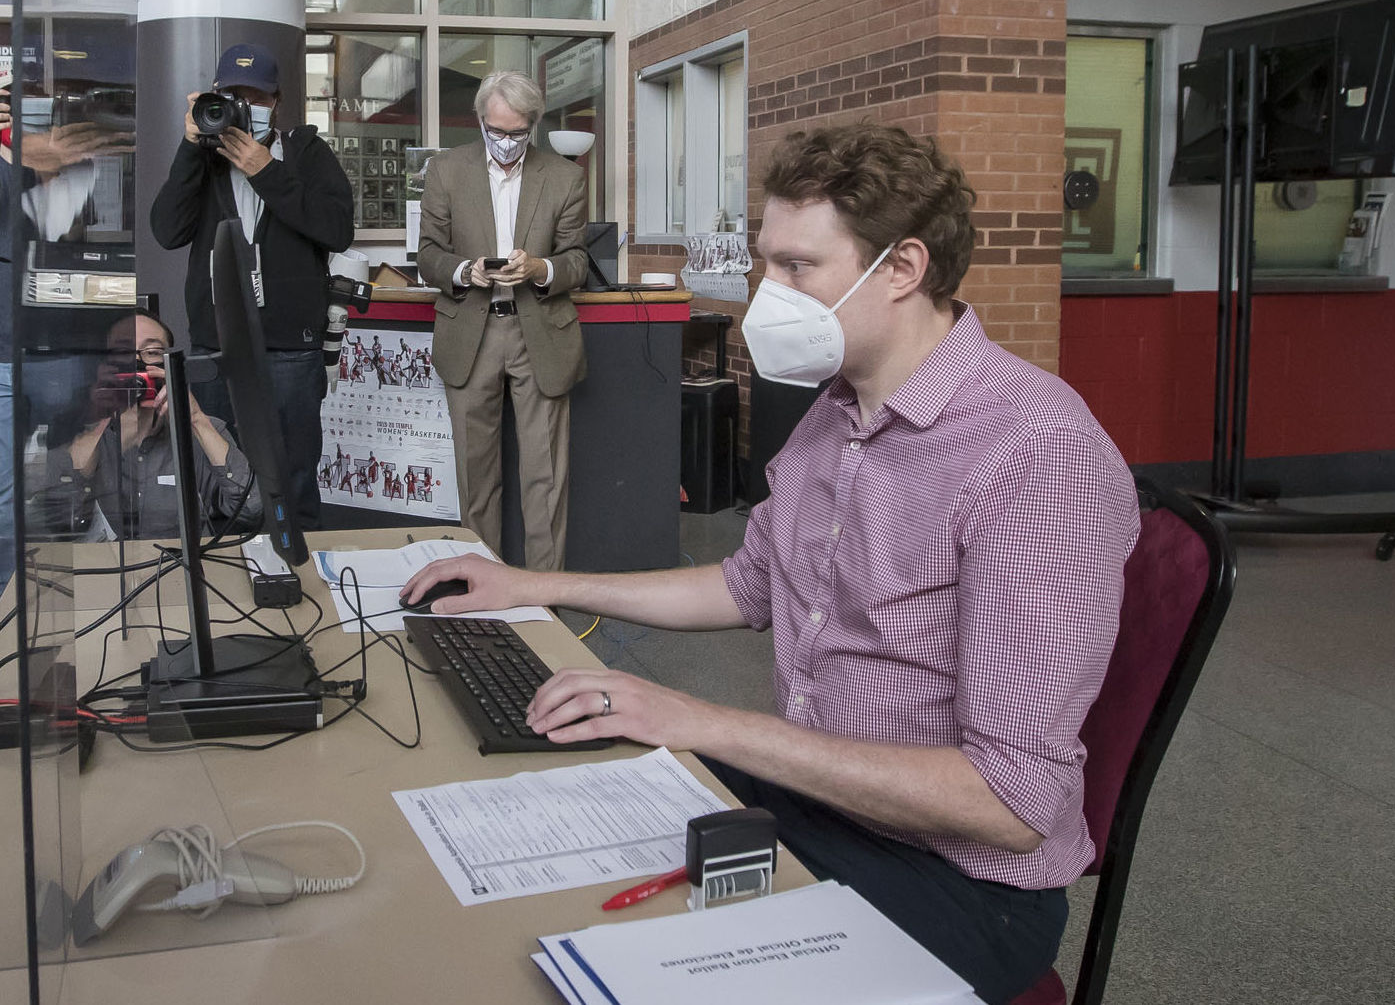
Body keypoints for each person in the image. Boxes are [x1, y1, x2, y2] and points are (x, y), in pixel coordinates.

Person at [401, 124, 1137, 1005]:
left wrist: (698, 718)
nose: (766, 296)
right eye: (765, 264)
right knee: (541, 838)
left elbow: (1011, 805)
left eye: (796, 269)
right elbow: (747, 582)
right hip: (815, 805)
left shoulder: (1035, 452)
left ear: (901, 269)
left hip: (956, 884)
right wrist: (532, 586)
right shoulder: (837, 408)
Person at [0, 68, 129, 596]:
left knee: (70, 482)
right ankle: (5, 601)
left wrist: (55, 165)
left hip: (61, 356)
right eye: (17, 107)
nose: (33, 119)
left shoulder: (80, 165)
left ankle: (79, 588)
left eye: (42, 107)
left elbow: (82, 234)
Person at [148, 43, 353, 528]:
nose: (246, 107)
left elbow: (337, 229)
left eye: (255, 97)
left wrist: (268, 172)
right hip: (218, 346)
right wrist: (190, 148)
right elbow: (167, 231)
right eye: (233, 96)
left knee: (294, 474)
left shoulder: (306, 154)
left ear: (276, 101)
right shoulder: (204, 160)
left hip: (291, 347)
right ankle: (230, 577)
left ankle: (299, 574)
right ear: (217, 99)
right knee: (222, 471)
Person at [414, 70, 590, 572]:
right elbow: (428, 255)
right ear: (479, 121)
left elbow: (577, 260)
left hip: (540, 331)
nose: (506, 142)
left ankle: (544, 599)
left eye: (517, 133)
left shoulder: (564, 177)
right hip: (471, 329)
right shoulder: (446, 170)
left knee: (546, 478)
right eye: (497, 131)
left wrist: (542, 269)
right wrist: (465, 270)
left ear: (533, 125)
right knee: (476, 477)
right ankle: (483, 588)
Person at [33, 312, 259, 542]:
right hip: (106, 565)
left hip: (184, 563)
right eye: (123, 353)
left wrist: (196, 419)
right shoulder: (76, 432)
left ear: (170, 364)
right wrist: (99, 417)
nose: (137, 364)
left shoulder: (202, 429)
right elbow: (58, 521)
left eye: (152, 352)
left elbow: (252, 510)